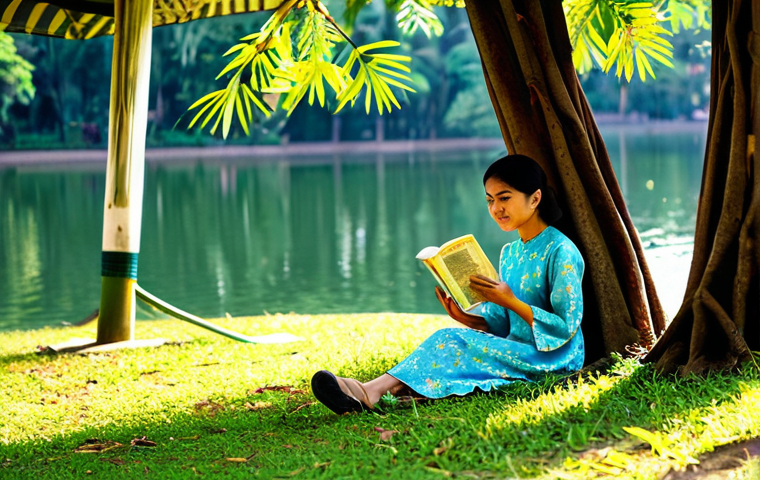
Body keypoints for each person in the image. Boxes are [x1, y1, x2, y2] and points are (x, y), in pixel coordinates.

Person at [311, 154, 586, 414]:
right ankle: (374, 391)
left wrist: (509, 300)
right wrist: (466, 318)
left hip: (554, 359)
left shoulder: (561, 250)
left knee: (448, 341)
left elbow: (566, 325)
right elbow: (505, 325)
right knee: (451, 340)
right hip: (516, 348)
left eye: (504, 198)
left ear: (535, 198)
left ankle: (369, 391)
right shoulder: (510, 253)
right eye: (489, 200)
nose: (496, 208)